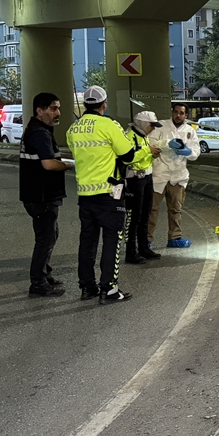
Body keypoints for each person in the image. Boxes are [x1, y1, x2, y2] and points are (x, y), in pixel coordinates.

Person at [67, 85, 136, 303]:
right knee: (112, 240)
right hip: (109, 194)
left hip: (85, 195)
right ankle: (110, 289)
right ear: (104, 104)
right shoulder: (109, 125)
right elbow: (128, 155)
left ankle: (88, 287)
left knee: (87, 242)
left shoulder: (73, 129)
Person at [19, 92, 74, 297]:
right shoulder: (40, 133)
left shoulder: (40, 130)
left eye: (58, 108)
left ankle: (45, 273)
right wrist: (71, 165)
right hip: (40, 195)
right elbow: (49, 164)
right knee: (45, 238)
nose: (57, 112)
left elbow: (50, 156)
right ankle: (38, 283)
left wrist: (67, 157)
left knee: (51, 235)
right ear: (39, 111)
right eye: (53, 108)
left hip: (40, 194)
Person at [148, 103, 200, 249]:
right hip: (159, 174)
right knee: (151, 209)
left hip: (178, 176)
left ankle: (175, 238)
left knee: (176, 209)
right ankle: (146, 239)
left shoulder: (190, 131)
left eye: (181, 113)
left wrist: (188, 151)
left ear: (186, 115)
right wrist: (167, 144)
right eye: (176, 112)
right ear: (172, 112)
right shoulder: (161, 126)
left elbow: (196, 152)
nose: (178, 115)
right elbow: (151, 144)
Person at [124, 111, 162, 264]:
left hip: (146, 176)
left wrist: (152, 156)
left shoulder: (143, 136)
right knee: (134, 217)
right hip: (134, 179)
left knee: (145, 214)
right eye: (151, 125)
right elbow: (128, 158)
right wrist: (148, 151)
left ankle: (143, 247)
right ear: (142, 123)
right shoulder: (128, 137)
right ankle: (130, 252)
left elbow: (142, 155)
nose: (153, 128)